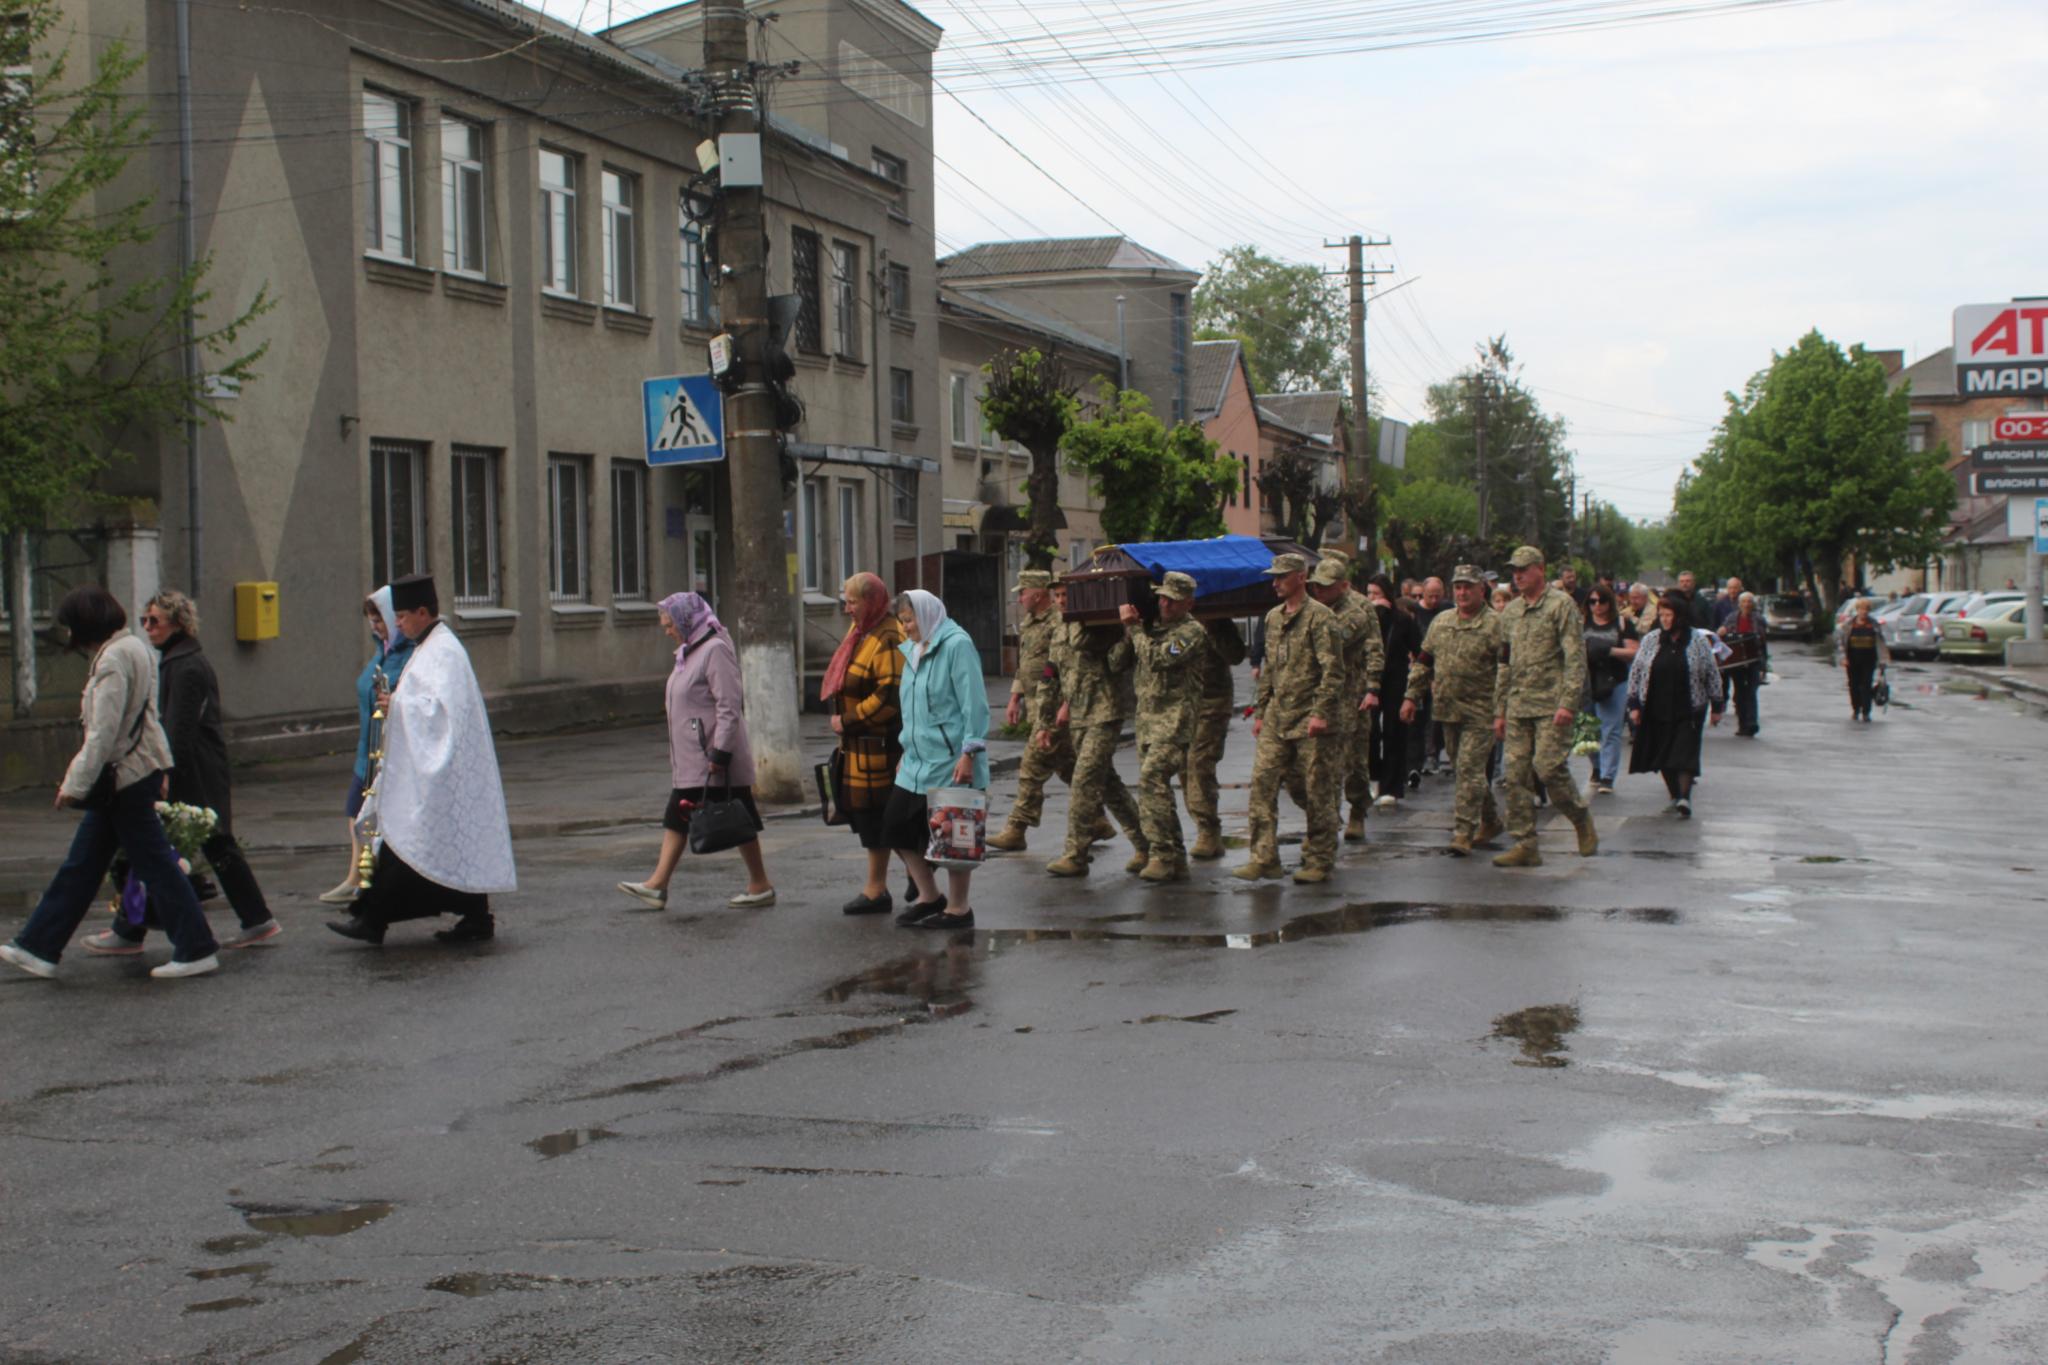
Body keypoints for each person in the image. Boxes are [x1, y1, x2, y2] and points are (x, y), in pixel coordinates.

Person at [2, 587, 221, 980]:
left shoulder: (113, 661)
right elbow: (146, 719)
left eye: (70, 625)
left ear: (84, 625)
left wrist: (73, 783)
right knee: (85, 865)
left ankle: (196, 947)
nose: (67, 634)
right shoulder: (134, 649)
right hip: (137, 773)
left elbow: (104, 733)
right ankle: (38, 946)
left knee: (151, 865)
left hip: (125, 778)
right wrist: (163, 769)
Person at [83, 589, 280, 955]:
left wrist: (163, 773)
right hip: (198, 770)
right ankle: (254, 918)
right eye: (144, 621)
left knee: (157, 850)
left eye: (154, 621)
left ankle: (131, 929)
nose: (148, 628)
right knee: (199, 845)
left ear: (177, 622)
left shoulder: (185, 666)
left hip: (192, 772)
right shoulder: (180, 660)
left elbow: (179, 728)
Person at [328, 574, 515, 945]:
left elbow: (440, 713)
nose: (397, 623)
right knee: (439, 845)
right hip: (430, 771)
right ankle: (473, 917)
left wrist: (396, 703)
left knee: (409, 844)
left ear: (423, 612)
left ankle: (373, 920)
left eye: (402, 615)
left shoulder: (443, 651)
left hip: (440, 773)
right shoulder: (428, 647)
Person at [616, 591, 775, 912]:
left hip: (711, 757)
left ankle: (660, 885)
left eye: (669, 624)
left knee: (714, 816)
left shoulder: (714, 650)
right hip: (695, 756)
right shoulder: (691, 651)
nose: (667, 631)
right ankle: (757, 884)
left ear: (686, 620)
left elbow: (729, 705)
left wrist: (721, 752)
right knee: (722, 816)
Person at [1235, 553, 1343, 884]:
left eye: (1281, 577)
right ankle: (1264, 857)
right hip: (1278, 718)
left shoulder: (1321, 618)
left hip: (1310, 719)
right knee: (1263, 785)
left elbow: (1333, 670)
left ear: (1301, 577)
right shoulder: (1272, 618)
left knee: (1316, 789)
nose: (1275, 583)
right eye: (1274, 577)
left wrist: (1321, 713)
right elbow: (1270, 667)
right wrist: (1260, 710)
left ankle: (1319, 857)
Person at [887, 590, 990, 929]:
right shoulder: (916, 649)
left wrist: (969, 752)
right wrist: (906, 750)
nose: (905, 628)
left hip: (951, 759)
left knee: (954, 836)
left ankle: (959, 910)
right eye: (902, 621)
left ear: (927, 614)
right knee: (895, 826)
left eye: (909, 620)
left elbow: (973, 702)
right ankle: (929, 896)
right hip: (917, 760)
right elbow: (913, 710)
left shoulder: (956, 645)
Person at [1491, 546, 1597, 868]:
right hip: (1519, 703)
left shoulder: (1561, 606)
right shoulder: (1510, 612)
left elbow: (1575, 659)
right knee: (1515, 775)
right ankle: (1525, 843)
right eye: (1514, 570)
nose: (1518, 576)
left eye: (1524, 569)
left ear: (1541, 569)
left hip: (1552, 704)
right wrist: (1499, 708)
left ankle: (1579, 817)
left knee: (1548, 767)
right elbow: (1504, 662)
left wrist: (1568, 703)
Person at [1038, 605, 1149, 879]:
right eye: (1059, 596)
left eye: (1068, 596)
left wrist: (1124, 628)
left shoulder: (1099, 625)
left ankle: (1076, 854)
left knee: (1084, 780)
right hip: (1078, 716)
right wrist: (1044, 721)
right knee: (1109, 784)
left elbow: (1112, 660)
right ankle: (1148, 845)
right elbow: (1051, 674)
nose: (1063, 601)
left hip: (1105, 712)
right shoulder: (1060, 629)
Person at [323, 588, 416, 905]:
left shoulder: (408, 655)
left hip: (388, 749)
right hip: (368, 750)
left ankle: (368, 882)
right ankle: (356, 876)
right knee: (356, 813)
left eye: (380, 619)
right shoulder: (383, 652)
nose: (375, 626)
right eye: (371, 620)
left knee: (374, 818)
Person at [1402, 565, 1504, 854]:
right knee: (1464, 770)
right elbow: (1424, 661)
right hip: (1447, 710)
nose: (1462, 592)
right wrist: (1411, 697)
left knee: (1470, 770)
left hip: (1481, 711)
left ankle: (1463, 831)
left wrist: (1504, 710)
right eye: (1457, 587)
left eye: (1468, 587)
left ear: (1481, 590)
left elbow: (1508, 668)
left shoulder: (1496, 624)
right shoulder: (1441, 622)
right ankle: (1491, 819)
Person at [822, 573, 904, 914]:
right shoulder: (862, 632)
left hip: (878, 745)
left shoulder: (888, 635)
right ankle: (916, 874)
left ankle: (878, 889)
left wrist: (849, 720)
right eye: (845, 600)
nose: (846, 608)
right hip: (858, 746)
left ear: (871, 602)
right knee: (871, 816)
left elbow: (889, 695)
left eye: (852, 601)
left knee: (881, 817)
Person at [1120, 571, 1208, 881]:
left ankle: (1162, 854)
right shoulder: (1151, 629)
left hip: (1174, 723)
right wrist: (1127, 632)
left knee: (1152, 778)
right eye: (1162, 598)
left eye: (1173, 600)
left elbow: (1159, 660)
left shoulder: (1192, 632)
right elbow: (1120, 662)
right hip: (1147, 722)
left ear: (1188, 603)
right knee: (1156, 791)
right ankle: (1175, 856)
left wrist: (1133, 628)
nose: (1165, 604)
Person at [989, 571, 1072, 853]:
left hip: (1052, 707)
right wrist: (1014, 698)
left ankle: (1016, 828)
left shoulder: (1058, 622)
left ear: (1037, 594)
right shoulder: (1029, 622)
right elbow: (1026, 664)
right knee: (1070, 767)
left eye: (1022, 592)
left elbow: (1065, 668)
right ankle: (1097, 819)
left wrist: (1066, 704)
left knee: (1031, 768)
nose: (1019, 597)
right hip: (1035, 705)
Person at [1627, 592, 1724, 816]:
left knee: (1684, 754)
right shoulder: (1652, 640)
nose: (1665, 619)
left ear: (1679, 615)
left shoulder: (1697, 640)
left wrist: (1717, 706)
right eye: (1662, 615)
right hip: (1656, 706)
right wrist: (1634, 704)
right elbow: (1637, 672)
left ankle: (1684, 798)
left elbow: (1711, 672)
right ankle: (1675, 795)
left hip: (1689, 707)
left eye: (1669, 614)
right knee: (1664, 755)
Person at [1308, 556, 1382, 841]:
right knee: (1321, 763)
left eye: (1325, 586)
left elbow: (1374, 647)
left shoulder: (1360, 608)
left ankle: (1357, 810)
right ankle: (1326, 818)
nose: (1318, 591)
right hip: (1320, 695)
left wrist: (1372, 687)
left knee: (1354, 761)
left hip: (1352, 694)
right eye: (1316, 585)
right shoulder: (1312, 609)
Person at [1184, 614, 1247, 859]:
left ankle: (1208, 831)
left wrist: (1213, 626)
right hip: (1181, 704)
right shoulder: (1170, 618)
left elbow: (1235, 655)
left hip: (1213, 700)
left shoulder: (1217, 620)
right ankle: (1204, 826)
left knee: (1199, 764)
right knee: (1184, 769)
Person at [1581, 587, 1639, 794]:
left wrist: (1609, 650)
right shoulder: (1581, 623)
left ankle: (1607, 776)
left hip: (1614, 680)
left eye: (1602, 601)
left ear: (1610, 602)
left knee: (1610, 730)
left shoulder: (1622, 623)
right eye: (1593, 601)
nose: (1597, 606)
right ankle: (1596, 767)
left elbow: (1634, 651)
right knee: (1585, 729)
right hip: (1586, 680)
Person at [1367, 576, 1418, 809]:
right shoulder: (1365, 618)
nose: (1373, 599)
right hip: (1368, 682)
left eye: (1377, 593)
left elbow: (1419, 650)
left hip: (1395, 680)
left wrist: (1415, 687)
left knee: (1393, 733)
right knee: (1369, 732)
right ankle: (1374, 777)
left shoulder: (1402, 620)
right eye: (1369, 594)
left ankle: (1392, 786)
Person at [1718, 591, 1769, 737]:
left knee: (1751, 692)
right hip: (1737, 662)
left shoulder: (1758, 619)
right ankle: (1742, 725)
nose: (1746, 604)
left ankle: (1752, 723)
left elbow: (1763, 643)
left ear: (1752, 604)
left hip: (1754, 661)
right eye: (1744, 602)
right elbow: (1722, 632)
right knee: (1740, 693)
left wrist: (1764, 666)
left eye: (1749, 601)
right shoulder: (1732, 617)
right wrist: (1722, 631)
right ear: (1739, 604)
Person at [1412, 577, 1448, 776]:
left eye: (1438, 596)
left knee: (1436, 717)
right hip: (1419, 667)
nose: (1434, 600)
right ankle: (1419, 756)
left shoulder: (1447, 611)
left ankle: (1433, 753)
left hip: (1441, 670)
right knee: (1419, 715)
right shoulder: (1415, 613)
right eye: (1430, 596)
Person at [1839, 597, 1891, 721]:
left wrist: (1883, 660)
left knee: (1866, 685)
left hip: (1869, 660)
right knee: (1853, 685)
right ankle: (1856, 708)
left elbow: (1880, 643)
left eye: (1867, 609)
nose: (1864, 612)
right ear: (1857, 610)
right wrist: (1843, 657)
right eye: (1862, 609)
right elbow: (1841, 642)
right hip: (1852, 660)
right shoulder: (1849, 625)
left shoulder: (1873, 625)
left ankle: (1866, 712)